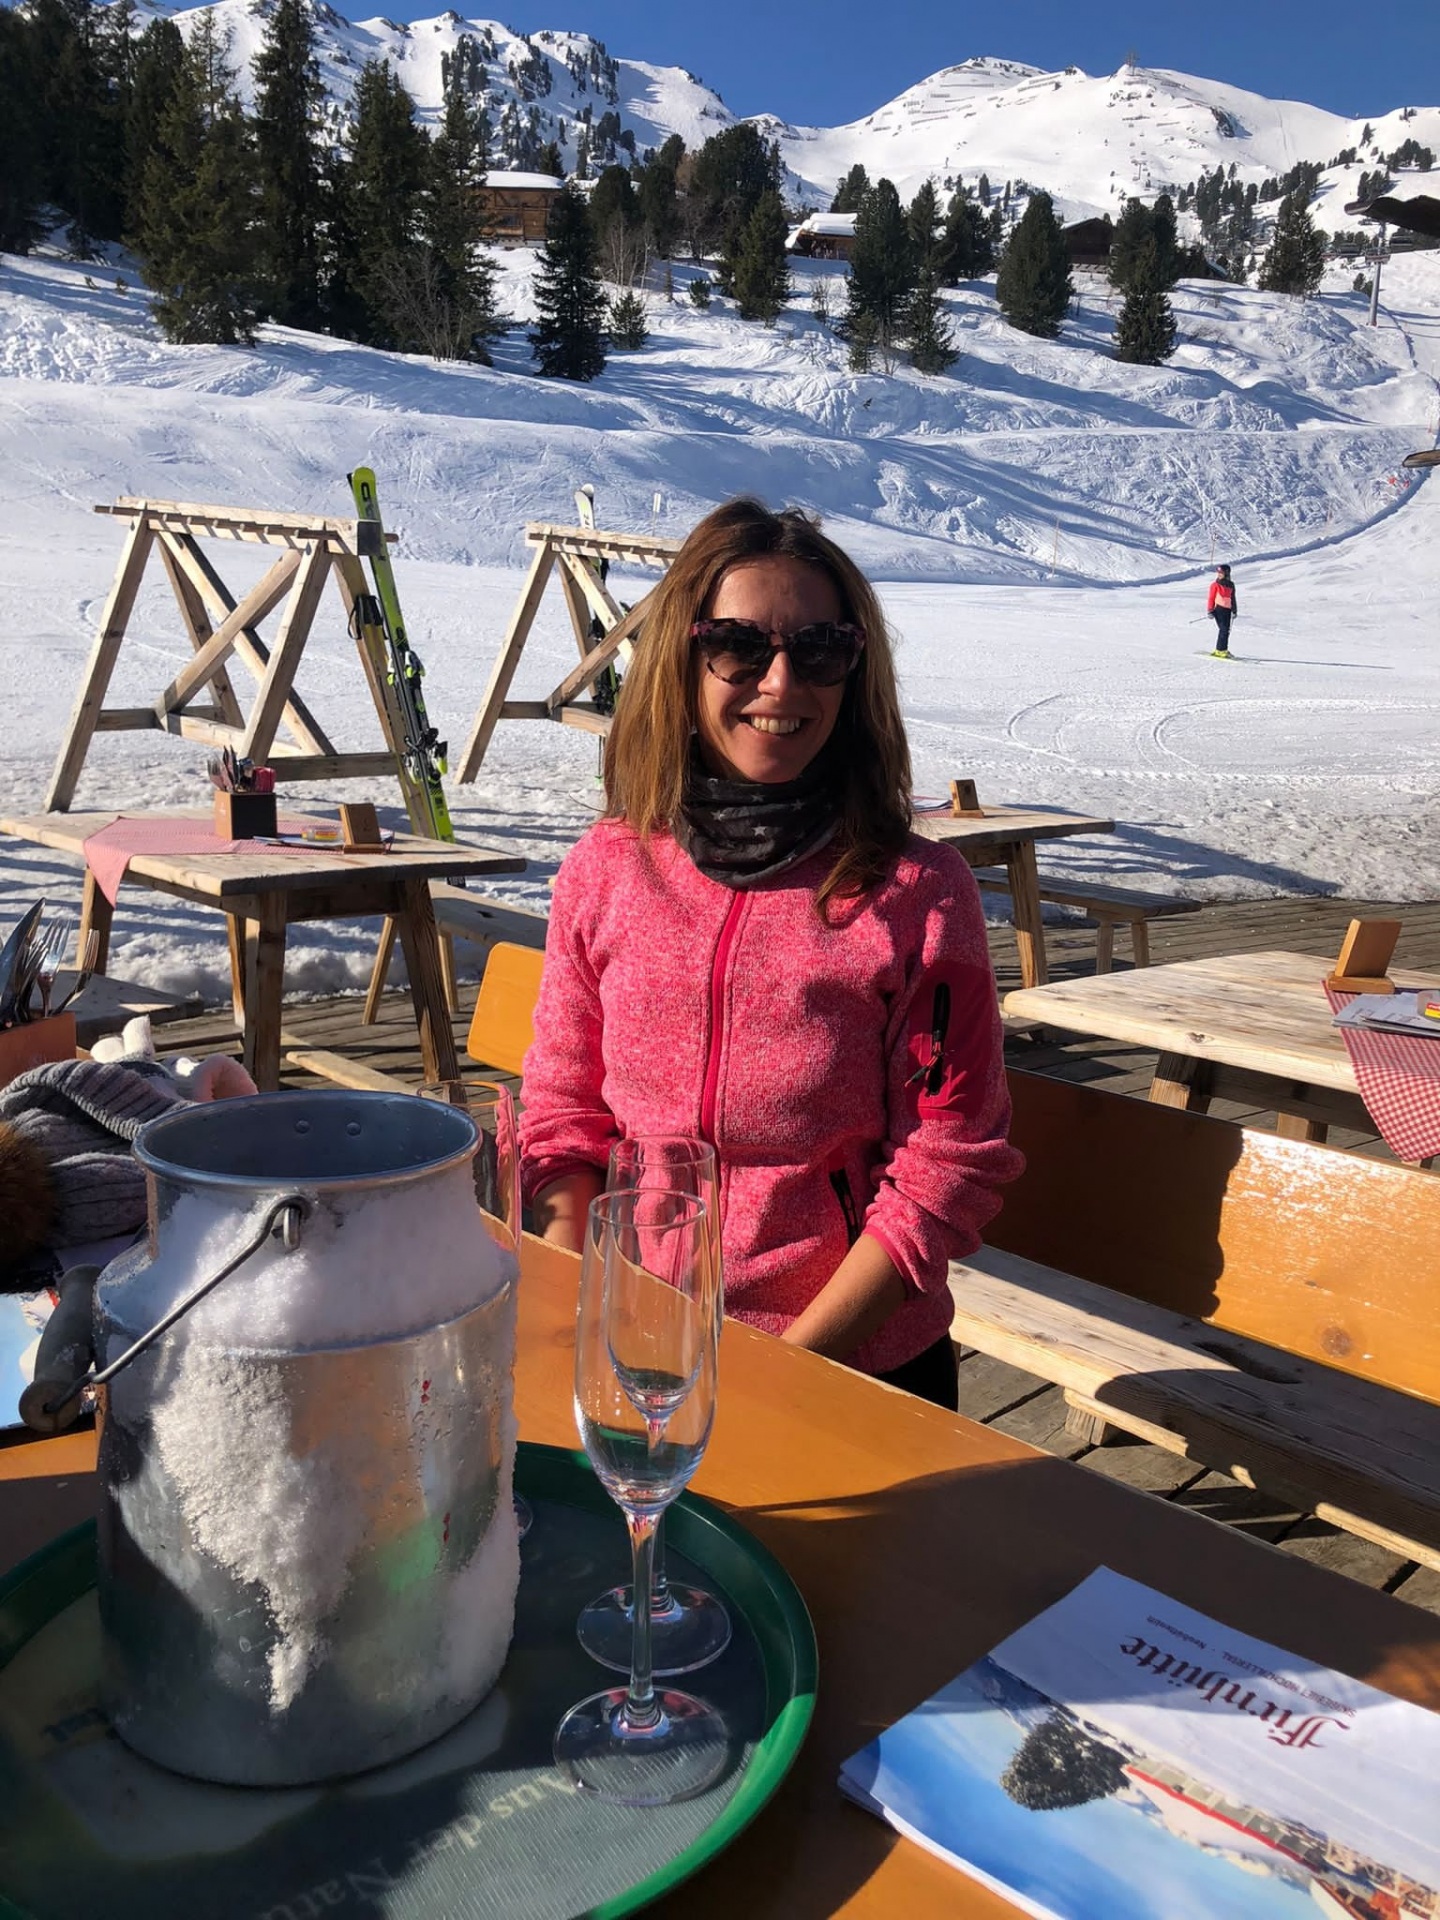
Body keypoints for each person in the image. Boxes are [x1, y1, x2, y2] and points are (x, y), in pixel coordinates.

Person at [518, 497, 1023, 1410]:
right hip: (637, 1342)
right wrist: (577, 1306)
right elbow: (564, 1114)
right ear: (681, 661)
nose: (782, 684)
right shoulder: (609, 869)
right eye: (739, 646)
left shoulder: (917, 893)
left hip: (853, 1368)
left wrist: (780, 1375)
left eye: (820, 650)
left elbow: (947, 1162)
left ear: (855, 675)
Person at [1207, 563, 1238, 656]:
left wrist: (1234, 610)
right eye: (1218, 573)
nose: (1219, 575)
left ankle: (1223, 649)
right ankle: (1219, 650)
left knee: (1226, 630)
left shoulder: (1231, 585)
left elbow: (1232, 598)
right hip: (1219, 609)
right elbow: (1211, 598)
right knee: (1223, 630)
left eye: (1221, 573)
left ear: (1227, 573)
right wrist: (1210, 610)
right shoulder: (1215, 585)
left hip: (1227, 610)